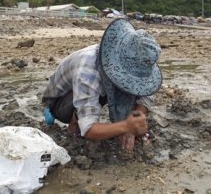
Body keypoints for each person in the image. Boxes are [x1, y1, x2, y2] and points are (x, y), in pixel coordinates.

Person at [42, 18, 162, 151]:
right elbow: (88, 128)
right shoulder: (88, 72)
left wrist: (136, 115)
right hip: (61, 103)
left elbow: (145, 94)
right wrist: (125, 126)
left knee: (130, 91)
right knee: (85, 120)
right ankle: (74, 126)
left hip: (97, 87)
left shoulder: (140, 57)